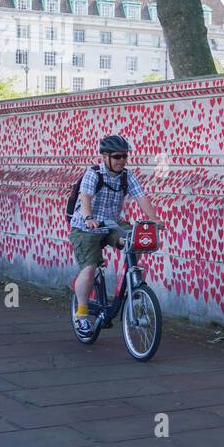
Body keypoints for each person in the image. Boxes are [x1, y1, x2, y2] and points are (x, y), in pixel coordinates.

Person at [68, 134, 163, 335]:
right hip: (86, 226)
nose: (122, 161)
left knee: (135, 241)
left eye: (125, 157)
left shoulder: (127, 176)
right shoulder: (93, 174)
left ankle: (133, 287)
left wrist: (154, 219)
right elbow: (85, 198)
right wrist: (88, 218)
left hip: (112, 224)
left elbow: (141, 197)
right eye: (117, 156)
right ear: (105, 157)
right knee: (90, 267)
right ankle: (82, 314)